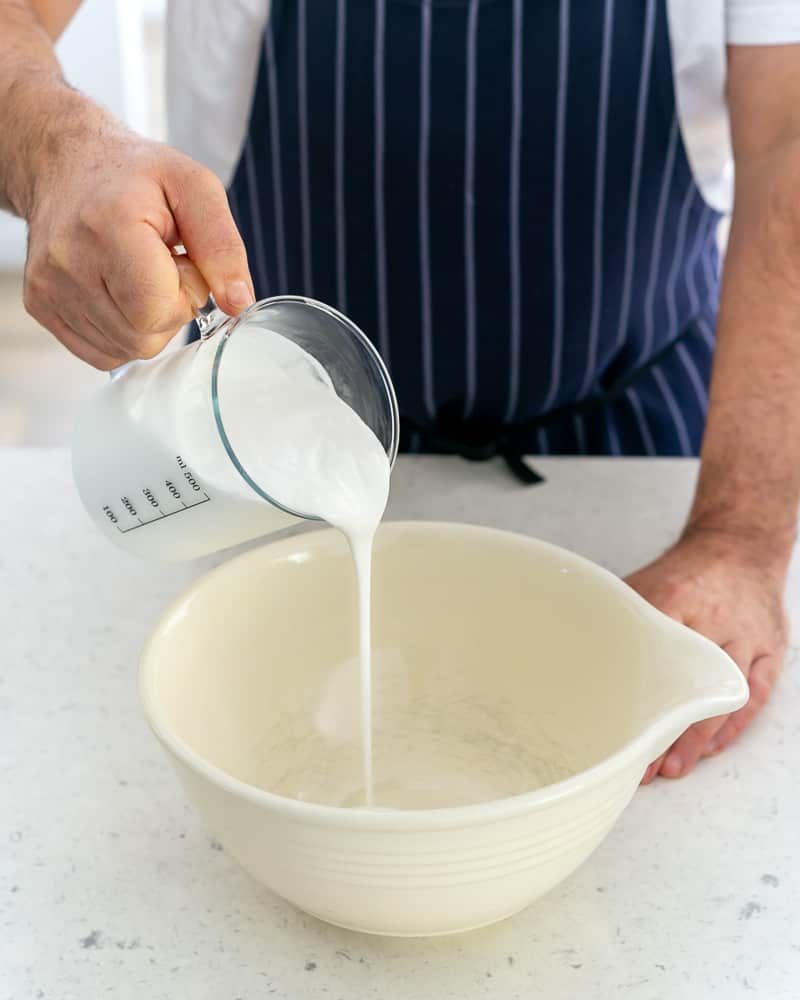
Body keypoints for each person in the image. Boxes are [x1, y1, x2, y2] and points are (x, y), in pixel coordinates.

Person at [0, 0, 796, 781]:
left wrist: (738, 539)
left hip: (633, 465)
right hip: (269, 468)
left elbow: (790, 138)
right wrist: (57, 147)